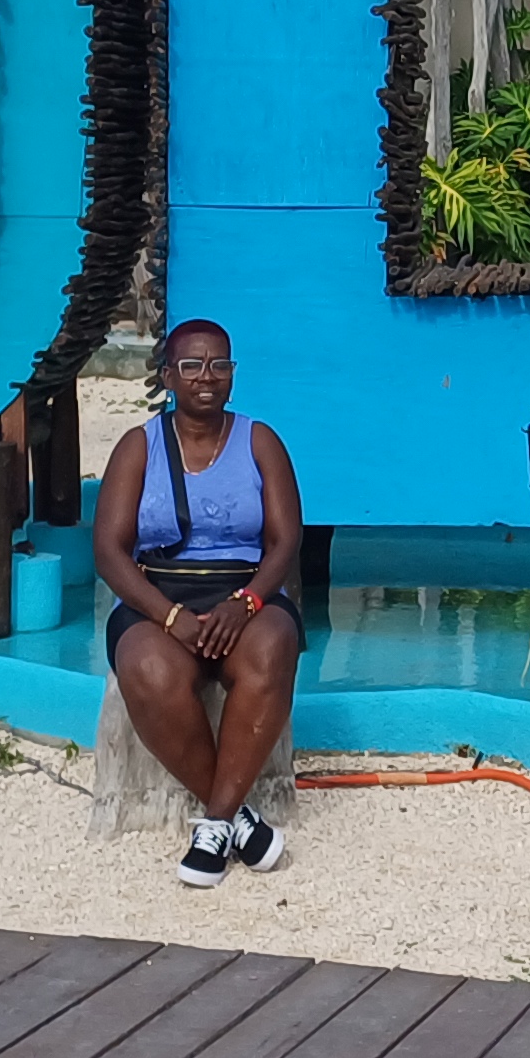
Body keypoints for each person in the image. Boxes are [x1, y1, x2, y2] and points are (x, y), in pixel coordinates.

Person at [92, 318, 305, 889]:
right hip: (158, 595)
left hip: (245, 593)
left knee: (272, 651)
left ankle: (215, 822)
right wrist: (169, 617)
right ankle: (238, 819)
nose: (206, 378)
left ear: (232, 374)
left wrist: (249, 602)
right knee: (147, 668)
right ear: (167, 376)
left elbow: (286, 540)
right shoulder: (138, 446)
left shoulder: (260, 441)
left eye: (218, 365)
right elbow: (109, 551)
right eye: (191, 366)